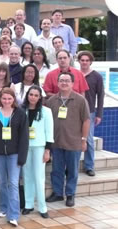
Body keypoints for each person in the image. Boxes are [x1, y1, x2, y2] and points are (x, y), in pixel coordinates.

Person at [45, 72, 90, 207]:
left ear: (72, 83)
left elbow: (86, 121)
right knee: (56, 169)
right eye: (61, 80)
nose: (64, 83)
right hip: (56, 142)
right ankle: (58, 193)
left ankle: (70, 194)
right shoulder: (51, 101)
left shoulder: (80, 100)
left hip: (74, 142)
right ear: (57, 83)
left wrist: (84, 139)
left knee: (72, 170)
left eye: (67, 81)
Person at [0, 88, 29, 227]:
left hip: (14, 154)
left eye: (9, 99)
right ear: (0, 99)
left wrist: (22, 157)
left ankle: (13, 215)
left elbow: (24, 138)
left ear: (14, 99)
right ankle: (4, 208)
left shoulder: (20, 114)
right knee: (2, 181)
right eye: (4, 98)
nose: (6, 101)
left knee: (13, 183)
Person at [21, 85, 53, 219]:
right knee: (27, 176)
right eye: (30, 94)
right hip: (25, 147)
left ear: (40, 97)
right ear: (27, 95)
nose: (32, 97)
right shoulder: (22, 110)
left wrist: (47, 151)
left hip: (39, 147)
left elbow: (49, 132)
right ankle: (28, 204)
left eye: (36, 95)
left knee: (39, 177)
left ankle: (42, 207)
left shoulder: (46, 111)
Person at [78, 51, 104, 176]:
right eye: (82, 60)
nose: (84, 62)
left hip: (90, 112)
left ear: (90, 62)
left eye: (87, 60)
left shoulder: (97, 76)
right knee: (74, 139)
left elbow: (101, 96)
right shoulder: (75, 75)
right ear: (79, 61)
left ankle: (89, 166)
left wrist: (99, 114)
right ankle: (73, 165)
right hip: (75, 111)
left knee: (88, 140)